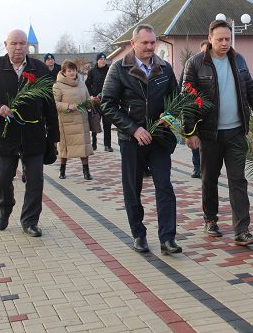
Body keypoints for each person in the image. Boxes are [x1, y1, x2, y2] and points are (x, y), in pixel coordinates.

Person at [182, 19, 253, 246]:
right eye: (220, 39)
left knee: (238, 180)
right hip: (209, 133)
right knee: (209, 179)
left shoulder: (238, 60)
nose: (224, 43)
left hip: (236, 132)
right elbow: (187, 99)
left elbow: (251, 90)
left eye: (227, 39)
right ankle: (210, 219)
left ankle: (242, 230)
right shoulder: (196, 63)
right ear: (209, 38)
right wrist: (190, 131)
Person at [100, 24, 181, 255]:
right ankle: (138, 234)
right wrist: (134, 129)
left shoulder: (164, 68)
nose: (149, 47)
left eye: (152, 42)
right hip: (131, 140)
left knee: (164, 187)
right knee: (132, 189)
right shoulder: (119, 68)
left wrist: (169, 117)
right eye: (144, 42)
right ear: (133, 43)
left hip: (159, 139)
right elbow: (107, 104)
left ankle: (168, 238)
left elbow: (175, 100)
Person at [0, 29, 59, 237]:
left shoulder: (39, 68)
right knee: (3, 178)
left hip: (33, 134)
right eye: (14, 43)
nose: (19, 47)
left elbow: (49, 103)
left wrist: (53, 137)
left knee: (35, 180)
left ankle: (30, 221)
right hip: (4, 135)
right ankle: (4, 210)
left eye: (22, 43)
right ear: (6, 45)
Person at [53, 60, 94, 180]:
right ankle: (62, 169)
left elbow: (87, 99)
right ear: (64, 72)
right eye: (69, 71)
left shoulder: (82, 84)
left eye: (74, 70)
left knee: (84, 147)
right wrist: (68, 106)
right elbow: (54, 103)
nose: (72, 73)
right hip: (67, 122)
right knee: (65, 147)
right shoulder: (58, 85)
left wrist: (91, 102)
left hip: (82, 120)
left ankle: (86, 171)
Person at [180, 40, 210, 179]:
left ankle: (207, 167)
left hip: (209, 113)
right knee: (195, 141)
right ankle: (197, 167)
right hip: (195, 111)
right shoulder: (192, 66)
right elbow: (183, 88)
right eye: (203, 51)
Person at [85, 51, 112, 152]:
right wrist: (91, 95)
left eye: (104, 59)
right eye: (101, 59)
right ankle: (94, 143)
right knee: (95, 122)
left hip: (107, 100)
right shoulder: (92, 71)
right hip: (96, 101)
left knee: (107, 123)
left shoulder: (110, 71)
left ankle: (107, 145)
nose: (103, 61)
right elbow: (87, 85)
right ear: (97, 61)